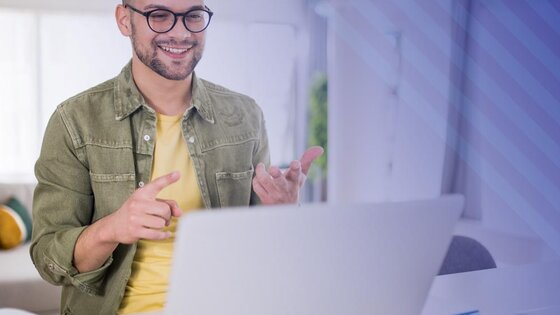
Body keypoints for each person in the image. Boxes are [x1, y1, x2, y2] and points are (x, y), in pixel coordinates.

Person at [30, 0, 323, 314]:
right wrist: (113, 228)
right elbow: (49, 259)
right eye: (159, 15)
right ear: (124, 20)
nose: (181, 32)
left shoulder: (245, 116)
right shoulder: (75, 121)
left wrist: (284, 214)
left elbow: (268, 258)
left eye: (193, 16)